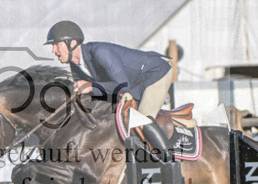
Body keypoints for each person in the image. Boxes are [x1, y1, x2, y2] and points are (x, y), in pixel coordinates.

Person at [45, 20, 174, 153]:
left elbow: (123, 87)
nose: (54, 50)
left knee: (141, 119)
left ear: (72, 43)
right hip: (132, 83)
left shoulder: (101, 52)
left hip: (154, 74)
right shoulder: (75, 66)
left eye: (56, 45)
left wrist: (91, 86)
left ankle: (170, 163)